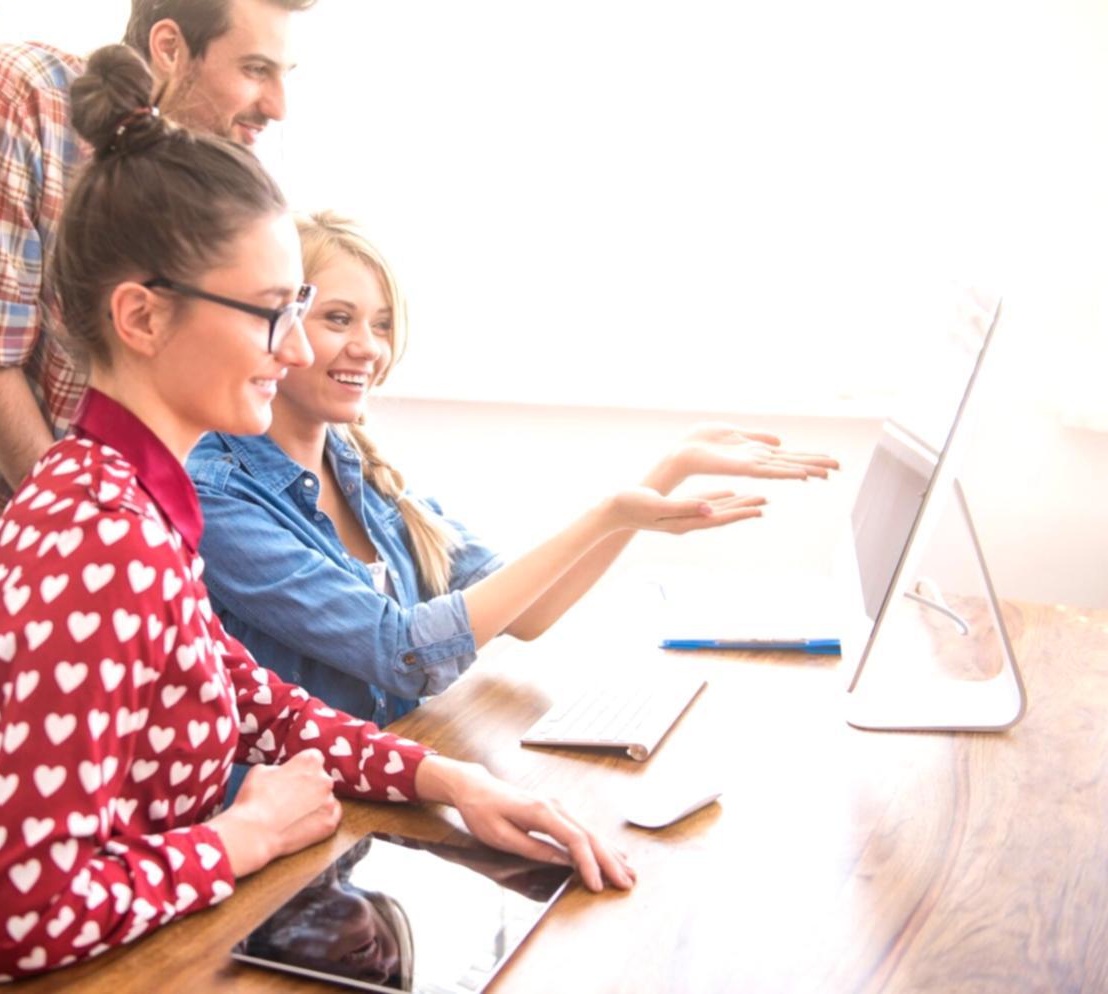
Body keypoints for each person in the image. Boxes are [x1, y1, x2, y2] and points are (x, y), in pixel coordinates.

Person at [0, 46, 634, 994]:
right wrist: (240, 838)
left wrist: (452, 783)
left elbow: (251, 700)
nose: (292, 350)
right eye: (270, 314)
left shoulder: (131, 496)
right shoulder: (96, 539)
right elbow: (19, 913)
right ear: (141, 318)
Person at [188, 211, 841, 726]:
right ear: (280, 324)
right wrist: (609, 512)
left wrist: (663, 474)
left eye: (382, 325)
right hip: (296, 821)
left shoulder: (358, 466)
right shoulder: (215, 493)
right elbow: (403, 653)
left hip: (391, 785)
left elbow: (525, 612)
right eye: (338, 319)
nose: (368, 347)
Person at [0, 0, 313, 690]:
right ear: (169, 47)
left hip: (97, 506)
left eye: (284, 73)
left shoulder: (205, 173)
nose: (276, 104)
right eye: (254, 70)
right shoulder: (17, 92)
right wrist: (89, 550)